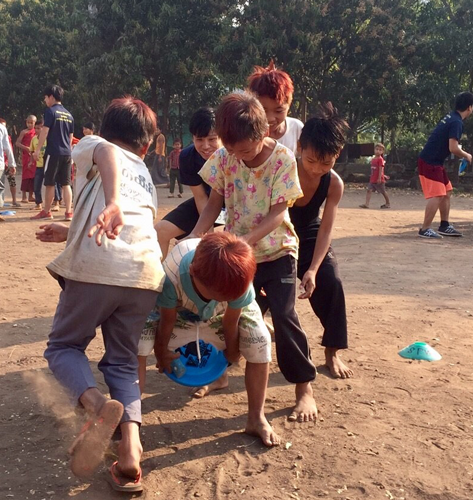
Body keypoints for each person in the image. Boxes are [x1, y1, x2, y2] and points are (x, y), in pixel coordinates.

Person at [36, 97, 163, 492]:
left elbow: (106, 152)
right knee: (123, 363)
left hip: (98, 268)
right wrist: (71, 229)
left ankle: (95, 408)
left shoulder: (97, 146)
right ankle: (130, 453)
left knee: (63, 348)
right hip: (145, 272)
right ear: (146, 146)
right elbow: (126, 222)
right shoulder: (145, 174)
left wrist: (111, 203)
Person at [190, 91, 318, 423]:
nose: (237, 156)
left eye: (244, 150)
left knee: (285, 316)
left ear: (263, 134)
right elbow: (214, 203)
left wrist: (245, 241)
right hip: (238, 255)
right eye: (230, 149)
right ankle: (219, 374)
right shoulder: (224, 156)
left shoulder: (283, 159)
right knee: (223, 317)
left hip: (277, 252)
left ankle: (304, 388)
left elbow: (278, 213)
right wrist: (194, 237)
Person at [137, 233, 279, 446]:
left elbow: (231, 320)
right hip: (179, 309)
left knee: (260, 339)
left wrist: (232, 353)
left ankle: (256, 417)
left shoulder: (238, 276)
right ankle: (131, 418)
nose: (219, 299)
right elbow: (167, 319)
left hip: (226, 314)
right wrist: (161, 350)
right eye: (216, 295)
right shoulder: (171, 275)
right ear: (193, 273)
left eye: (226, 297)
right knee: (138, 341)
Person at [290, 104, 354, 380]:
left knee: (332, 282)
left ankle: (332, 350)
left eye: (326, 163)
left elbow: (326, 228)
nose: (317, 169)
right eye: (312, 160)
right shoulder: (283, 170)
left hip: (310, 231)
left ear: (337, 155)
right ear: (300, 147)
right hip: (277, 230)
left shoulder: (334, 184)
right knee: (261, 287)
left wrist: (313, 269)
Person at [154, 108, 222, 257]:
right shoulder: (187, 157)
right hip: (208, 202)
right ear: (192, 138)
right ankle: (160, 280)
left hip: (238, 203)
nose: (205, 146)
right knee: (160, 231)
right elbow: (201, 197)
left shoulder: (234, 154)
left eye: (212, 139)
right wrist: (205, 236)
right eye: (199, 139)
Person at [417, 92, 473, 238]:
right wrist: (467, 155)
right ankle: (425, 229)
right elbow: (453, 148)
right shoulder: (456, 122)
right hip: (430, 161)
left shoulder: (451, 117)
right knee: (438, 194)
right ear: (469, 107)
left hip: (435, 160)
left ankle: (444, 225)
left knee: (447, 191)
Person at [32, 85, 74, 221]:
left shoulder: (50, 111)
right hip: (67, 152)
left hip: (53, 152)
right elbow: (70, 137)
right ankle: (68, 212)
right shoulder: (69, 114)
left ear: (51, 97)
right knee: (66, 184)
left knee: (49, 182)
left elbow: (45, 131)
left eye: (45, 97)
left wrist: (37, 149)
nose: (45, 100)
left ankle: (47, 211)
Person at [247, 61, 303, 155]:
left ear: (289, 106)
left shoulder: (297, 129)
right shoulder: (245, 131)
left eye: (278, 111)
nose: (270, 118)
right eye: (263, 110)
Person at [360, 143, 390, 209]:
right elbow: (374, 169)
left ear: (382, 152)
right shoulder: (373, 159)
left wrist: (380, 177)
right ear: (374, 150)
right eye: (377, 149)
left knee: (383, 191)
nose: (378, 151)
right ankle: (366, 204)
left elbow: (380, 169)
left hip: (379, 179)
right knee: (369, 190)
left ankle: (388, 203)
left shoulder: (380, 159)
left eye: (380, 150)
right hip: (373, 178)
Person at [0, 118, 19, 207]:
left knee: (12, 181)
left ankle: (14, 200)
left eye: (5, 127)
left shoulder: (8, 137)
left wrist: (11, 163)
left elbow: (9, 150)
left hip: (7, 162)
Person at [16, 115, 38, 204]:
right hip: (26, 156)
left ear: (35, 123)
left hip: (34, 156)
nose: (29, 124)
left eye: (31, 122)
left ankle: (31, 196)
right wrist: (25, 148)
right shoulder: (24, 132)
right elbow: (17, 143)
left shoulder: (37, 132)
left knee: (33, 176)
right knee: (25, 175)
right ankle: (24, 196)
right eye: (28, 122)